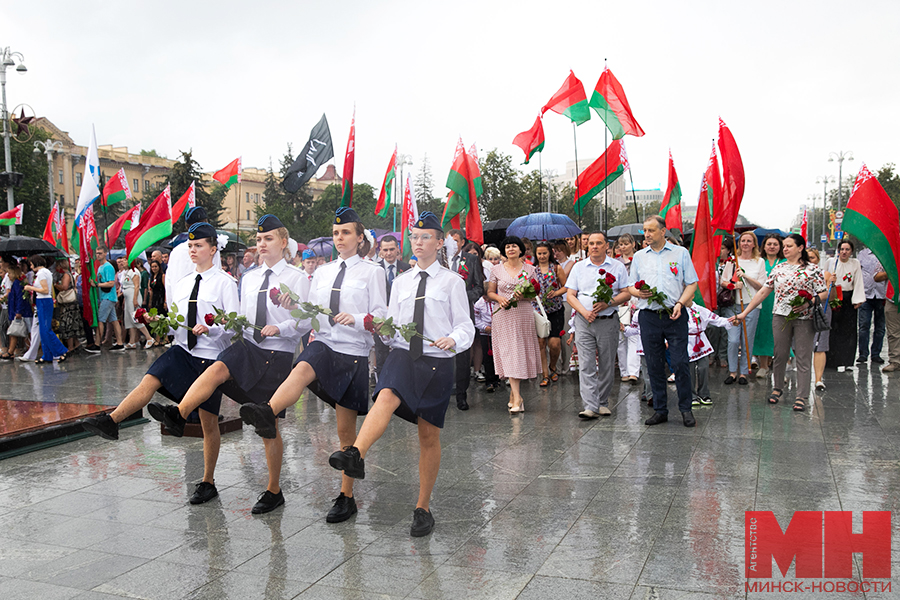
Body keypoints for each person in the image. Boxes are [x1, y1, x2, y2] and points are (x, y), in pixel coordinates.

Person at [148, 215, 308, 514]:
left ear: (283, 242)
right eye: (259, 240)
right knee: (217, 368)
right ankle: (179, 414)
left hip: (277, 354)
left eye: (268, 239)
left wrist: (285, 323)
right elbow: (240, 317)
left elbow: (308, 322)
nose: (262, 244)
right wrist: (224, 323)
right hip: (247, 346)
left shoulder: (298, 278)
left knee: (267, 425)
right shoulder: (248, 277)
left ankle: (274, 490)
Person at [328, 211, 474, 537]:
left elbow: (466, 326)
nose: (418, 242)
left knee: (428, 437)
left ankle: (422, 507)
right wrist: (381, 330)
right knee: (387, 393)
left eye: (425, 237)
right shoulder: (401, 282)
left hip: (437, 362)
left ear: (439, 242)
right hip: (404, 355)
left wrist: (454, 339)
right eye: (414, 236)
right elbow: (392, 328)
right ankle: (355, 453)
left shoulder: (452, 282)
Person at [240, 207, 386, 523]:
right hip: (325, 344)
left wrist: (360, 318)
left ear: (360, 238)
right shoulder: (321, 273)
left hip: (353, 354)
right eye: (336, 233)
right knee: (303, 366)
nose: (340, 238)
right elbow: (310, 316)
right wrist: (294, 307)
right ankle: (267, 411)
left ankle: (346, 497)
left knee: (345, 432)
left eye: (346, 232)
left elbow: (382, 316)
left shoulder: (373, 272)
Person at [81, 223, 239, 504]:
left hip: (210, 359)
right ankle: (112, 421)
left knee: (208, 423)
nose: (193, 250)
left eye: (199, 245)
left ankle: (207, 481)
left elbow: (234, 326)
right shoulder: (183, 283)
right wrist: (160, 323)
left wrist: (211, 328)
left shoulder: (225, 283)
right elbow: (177, 320)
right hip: (183, 351)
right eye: (190, 246)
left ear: (213, 249)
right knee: (151, 378)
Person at [733, 234, 827, 411]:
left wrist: (809, 302)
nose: (785, 249)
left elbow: (823, 293)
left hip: (804, 318)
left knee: (803, 356)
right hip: (780, 316)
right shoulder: (778, 268)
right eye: (784, 246)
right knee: (780, 354)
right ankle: (777, 388)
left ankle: (802, 396)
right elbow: (763, 292)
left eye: (789, 246)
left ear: (800, 248)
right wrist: (745, 313)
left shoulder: (813, 269)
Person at [628, 216, 700, 427]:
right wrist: (638, 293)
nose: (647, 235)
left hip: (674, 314)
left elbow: (691, 283)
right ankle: (660, 409)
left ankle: (686, 408)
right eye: (644, 231)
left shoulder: (681, 253)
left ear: (663, 231)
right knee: (654, 363)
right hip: (649, 316)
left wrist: (680, 303)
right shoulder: (640, 257)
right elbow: (631, 286)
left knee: (679, 362)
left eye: (651, 230)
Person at [566, 232, 631, 418]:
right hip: (583, 320)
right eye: (591, 243)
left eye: (598, 243)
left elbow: (626, 292)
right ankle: (590, 405)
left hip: (607, 320)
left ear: (606, 246)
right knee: (586, 363)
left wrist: (608, 303)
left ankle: (602, 401)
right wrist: (584, 312)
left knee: (607, 364)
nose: (594, 246)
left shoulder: (617, 267)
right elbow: (571, 295)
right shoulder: (579, 267)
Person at [487, 236, 542, 413]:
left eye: (514, 246)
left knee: (519, 352)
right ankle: (517, 396)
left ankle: (515, 395)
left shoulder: (530, 269)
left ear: (521, 250)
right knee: (508, 351)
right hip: (503, 314)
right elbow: (490, 292)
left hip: (522, 314)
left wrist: (523, 296)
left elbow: (534, 294)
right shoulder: (496, 270)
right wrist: (499, 298)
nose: (511, 249)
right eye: (507, 246)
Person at [719, 231, 766, 384]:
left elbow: (761, 286)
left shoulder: (759, 262)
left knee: (747, 339)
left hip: (751, 305)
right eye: (743, 241)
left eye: (748, 241)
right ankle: (732, 371)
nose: (745, 243)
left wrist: (745, 277)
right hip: (733, 305)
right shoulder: (732, 261)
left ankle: (744, 373)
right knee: (733, 340)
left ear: (754, 244)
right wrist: (733, 285)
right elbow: (723, 281)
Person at [446, 229, 485, 411]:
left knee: (462, 353)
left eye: (455, 241)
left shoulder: (470, 260)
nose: (451, 244)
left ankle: (462, 394)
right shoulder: (439, 260)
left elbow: (479, 288)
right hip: (442, 314)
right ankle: (443, 392)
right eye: (449, 240)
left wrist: (461, 296)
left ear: (462, 242)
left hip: (463, 311)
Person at [165, 207, 221, 306]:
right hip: (205, 306)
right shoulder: (210, 250)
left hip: (178, 306)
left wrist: (171, 308)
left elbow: (169, 284)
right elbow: (216, 278)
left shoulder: (176, 251)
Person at [824, 239, 865, 371]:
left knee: (849, 330)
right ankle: (831, 361)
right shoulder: (831, 262)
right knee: (833, 329)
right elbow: (824, 277)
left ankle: (847, 361)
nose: (844, 252)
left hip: (848, 297)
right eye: (842, 249)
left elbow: (858, 281)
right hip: (834, 296)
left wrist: (857, 299)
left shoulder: (855, 263)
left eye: (847, 249)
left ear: (851, 251)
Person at [19, 255, 69, 363]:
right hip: (44, 301)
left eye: (31, 264)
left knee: (46, 329)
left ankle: (61, 350)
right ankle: (47, 355)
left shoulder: (41, 273)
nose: (31, 267)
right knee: (43, 330)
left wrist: (30, 288)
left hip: (44, 301)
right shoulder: (45, 272)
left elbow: (45, 290)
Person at [373, 234, 409, 376]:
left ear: (398, 249)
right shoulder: (374, 270)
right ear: (380, 251)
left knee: (402, 355)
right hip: (382, 320)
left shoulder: (407, 269)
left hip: (402, 320)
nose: (389, 253)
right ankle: (381, 388)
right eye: (385, 250)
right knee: (381, 356)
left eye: (392, 249)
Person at [534, 241, 568, 387]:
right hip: (538, 310)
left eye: (544, 253)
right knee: (541, 342)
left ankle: (553, 366)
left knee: (554, 343)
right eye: (539, 253)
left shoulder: (556, 268)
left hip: (555, 308)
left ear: (550, 254)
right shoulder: (532, 270)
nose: (542, 256)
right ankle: (544, 374)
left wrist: (556, 293)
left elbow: (566, 286)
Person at [686, 304, 734, 406]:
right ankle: (691, 396)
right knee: (689, 370)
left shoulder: (699, 309)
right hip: (686, 342)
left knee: (703, 367)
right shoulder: (677, 310)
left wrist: (729, 321)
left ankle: (704, 393)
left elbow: (715, 319)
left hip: (701, 342)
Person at [753, 234, 784, 378]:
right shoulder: (759, 262)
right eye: (769, 244)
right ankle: (763, 366)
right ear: (763, 246)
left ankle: (779, 367)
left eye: (775, 244)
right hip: (762, 301)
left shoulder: (785, 262)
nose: (772, 247)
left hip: (781, 301)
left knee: (779, 334)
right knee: (763, 332)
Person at [807, 249, 834, 390]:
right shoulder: (798, 273)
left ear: (817, 259)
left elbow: (832, 296)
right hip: (803, 310)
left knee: (820, 344)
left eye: (812, 257)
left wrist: (832, 284)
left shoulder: (826, 274)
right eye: (807, 257)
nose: (809, 260)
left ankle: (818, 379)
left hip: (821, 310)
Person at [856, 246, 888, 364]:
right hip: (866, 294)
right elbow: (857, 272)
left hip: (882, 294)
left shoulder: (886, 253)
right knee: (864, 326)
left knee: (880, 327)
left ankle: (876, 354)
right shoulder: (862, 254)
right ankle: (863, 354)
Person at [92, 247, 125, 351]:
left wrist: (97, 285)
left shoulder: (108, 267)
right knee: (114, 320)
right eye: (97, 253)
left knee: (101, 320)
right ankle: (120, 343)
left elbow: (111, 283)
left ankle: (97, 344)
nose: (98, 255)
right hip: (104, 296)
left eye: (100, 253)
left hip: (108, 297)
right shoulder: (100, 267)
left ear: (105, 253)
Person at [121, 258, 154, 349]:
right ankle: (132, 341)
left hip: (133, 296)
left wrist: (135, 299)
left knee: (136, 318)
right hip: (127, 297)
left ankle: (149, 338)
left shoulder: (134, 271)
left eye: (124, 261)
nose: (122, 262)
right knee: (129, 320)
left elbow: (136, 286)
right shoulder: (126, 272)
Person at [52, 258, 81, 352]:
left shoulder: (66, 275)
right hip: (69, 304)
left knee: (68, 325)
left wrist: (56, 285)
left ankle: (70, 347)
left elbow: (64, 287)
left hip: (69, 304)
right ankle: (76, 344)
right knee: (72, 325)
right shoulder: (67, 274)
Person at [473, 293, 500, 392]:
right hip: (486, 333)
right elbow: (476, 319)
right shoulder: (478, 304)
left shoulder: (497, 301)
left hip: (498, 331)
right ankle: (489, 381)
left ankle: (498, 378)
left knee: (498, 355)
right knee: (487, 357)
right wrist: (485, 327)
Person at [4, 261, 31, 359]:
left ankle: (29, 351)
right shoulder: (16, 283)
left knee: (24, 332)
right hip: (15, 311)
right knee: (14, 332)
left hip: (20, 312)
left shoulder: (17, 283)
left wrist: (18, 311)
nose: (8, 276)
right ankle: (11, 351)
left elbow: (20, 298)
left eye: (9, 274)